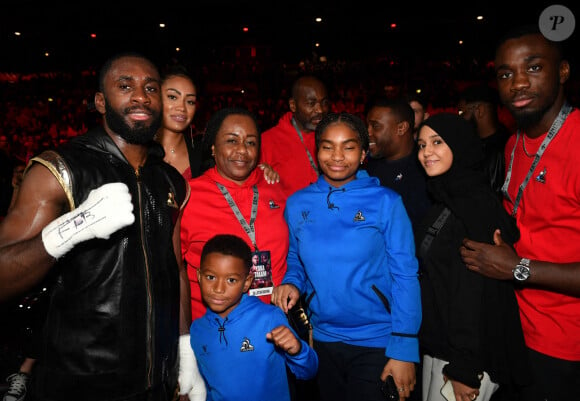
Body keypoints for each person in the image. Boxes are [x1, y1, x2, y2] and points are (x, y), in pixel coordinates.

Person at [0, 52, 206, 401]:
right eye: (126, 86)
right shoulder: (60, 169)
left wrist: (185, 348)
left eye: (151, 88)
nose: (141, 96)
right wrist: (70, 229)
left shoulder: (171, 182)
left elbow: (177, 269)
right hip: (77, 384)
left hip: (155, 382)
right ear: (100, 101)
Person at [460, 24, 580, 401]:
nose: (518, 84)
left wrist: (517, 268)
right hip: (515, 330)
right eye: (506, 74)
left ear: (562, 72)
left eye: (533, 68)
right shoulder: (514, 143)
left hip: (564, 346)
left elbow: (518, 263)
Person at [271, 111, 422, 401]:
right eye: (327, 146)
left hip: (378, 343)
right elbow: (295, 260)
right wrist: (291, 282)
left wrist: (404, 348)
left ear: (364, 153)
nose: (337, 156)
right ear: (316, 152)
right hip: (324, 342)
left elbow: (406, 275)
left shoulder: (386, 202)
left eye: (349, 147)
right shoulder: (298, 203)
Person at [416, 113, 529, 401]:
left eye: (437, 142)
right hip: (441, 347)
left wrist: (466, 367)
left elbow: (477, 293)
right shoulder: (444, 197)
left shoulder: (476, 206)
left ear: (459, 145)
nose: (426, 152)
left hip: (466, 361)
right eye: (421, 145)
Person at [180, 106, 289, 322]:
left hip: (274, 326)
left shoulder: (274, 187)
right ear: (212, 147)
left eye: (250, 142)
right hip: (214, 332)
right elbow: (171, 271)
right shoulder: (189, 196)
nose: (242, 150)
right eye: (232, 141)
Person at [190, 233, 318, 401]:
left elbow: (308, 372)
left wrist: (298, 350)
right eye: (211, 277)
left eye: (231, 280)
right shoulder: (198, 330)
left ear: (247, 283)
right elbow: (207, 386)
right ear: (199, 276)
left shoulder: (269, 318)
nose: (218, 288)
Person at [155, 64, 278, 183]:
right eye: (172, 97)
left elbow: (233, 183)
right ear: (155, 98)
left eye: (190, 101)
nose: (182, 107)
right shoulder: (139, 148)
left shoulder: (205, 154)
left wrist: (260, 173)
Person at [365, 96, 432, 233]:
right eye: (368, 126)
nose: (368, 132)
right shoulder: (366, 167)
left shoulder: (425, 172)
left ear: (401, 128)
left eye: (375, 126)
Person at [260, 74, 331, 198]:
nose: (320, 110)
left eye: (324, 102)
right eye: (311, 103)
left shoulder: (333, 136)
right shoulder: (268, 141)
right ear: (293, 105)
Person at [457, 84, 511, 198]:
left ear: (480, 110)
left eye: (462, 113)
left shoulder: (501, 150)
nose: (459, 119)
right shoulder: (475, 144)